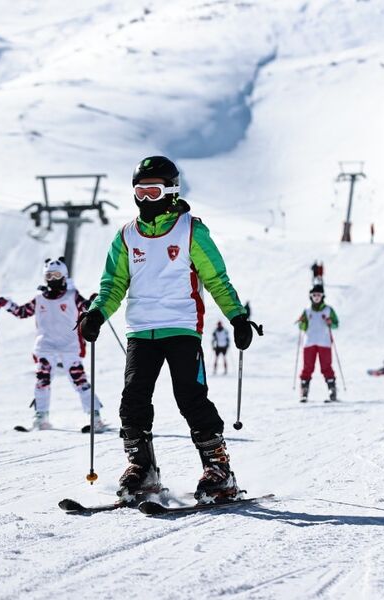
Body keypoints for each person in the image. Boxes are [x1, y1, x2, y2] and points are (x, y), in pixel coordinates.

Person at [79, 155, 254, 504]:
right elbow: (113, 283)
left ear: (171, 191)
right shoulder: (127, 236)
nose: (145, 199)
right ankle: (143, 469)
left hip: (182, 327)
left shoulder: (191, 229)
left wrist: (237, 316)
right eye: (140, 192)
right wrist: (97, 314)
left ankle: (219, 470)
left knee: (190, 397)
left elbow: (216, 278)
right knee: (133, 401)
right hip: (141, 331)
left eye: (153, 191)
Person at [0, 258, 104, 432]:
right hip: (45, 346)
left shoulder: (71, 295)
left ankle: (95, 416)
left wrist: (94, 302)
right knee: (42, 380)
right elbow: (23, 312)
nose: (53, 279)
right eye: (49, 275)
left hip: (69, 346)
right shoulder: (40, 299)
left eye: (57, 275)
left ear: (64, 276)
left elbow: (86, 307)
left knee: (79, 381)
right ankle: (41, 416)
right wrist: (7, 304)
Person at [297, 284, 339, 402]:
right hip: (309, 342)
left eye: (319, 295)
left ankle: (332, 390)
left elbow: (336, 324)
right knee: (307, 367)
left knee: (326, 366)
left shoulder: (328, 310)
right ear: (311, 296)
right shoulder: (307, 311)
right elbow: (303, 327)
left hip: (324, 342)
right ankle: (304, 391)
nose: (316, 297)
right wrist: (302, 322)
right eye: (314, 295)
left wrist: (331, 322)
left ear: (322, 296)